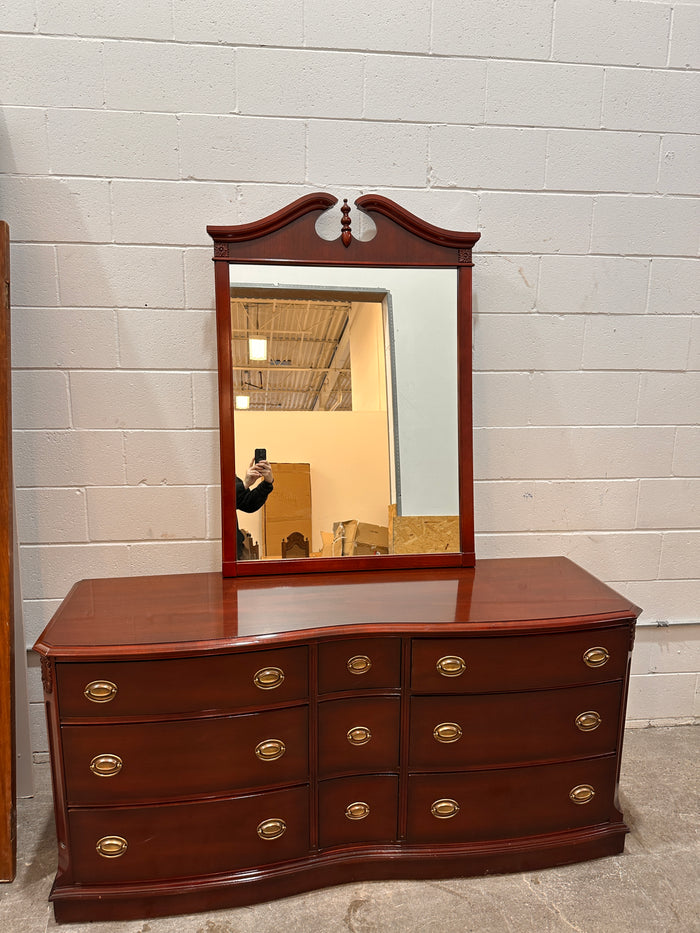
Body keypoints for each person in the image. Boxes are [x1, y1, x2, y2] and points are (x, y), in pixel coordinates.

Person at [236, 457, 274, 558]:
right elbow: (220, 501)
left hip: (236, 550)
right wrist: (244, 484)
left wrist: (267, 483)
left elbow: (248, 504)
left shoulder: (227, 473)